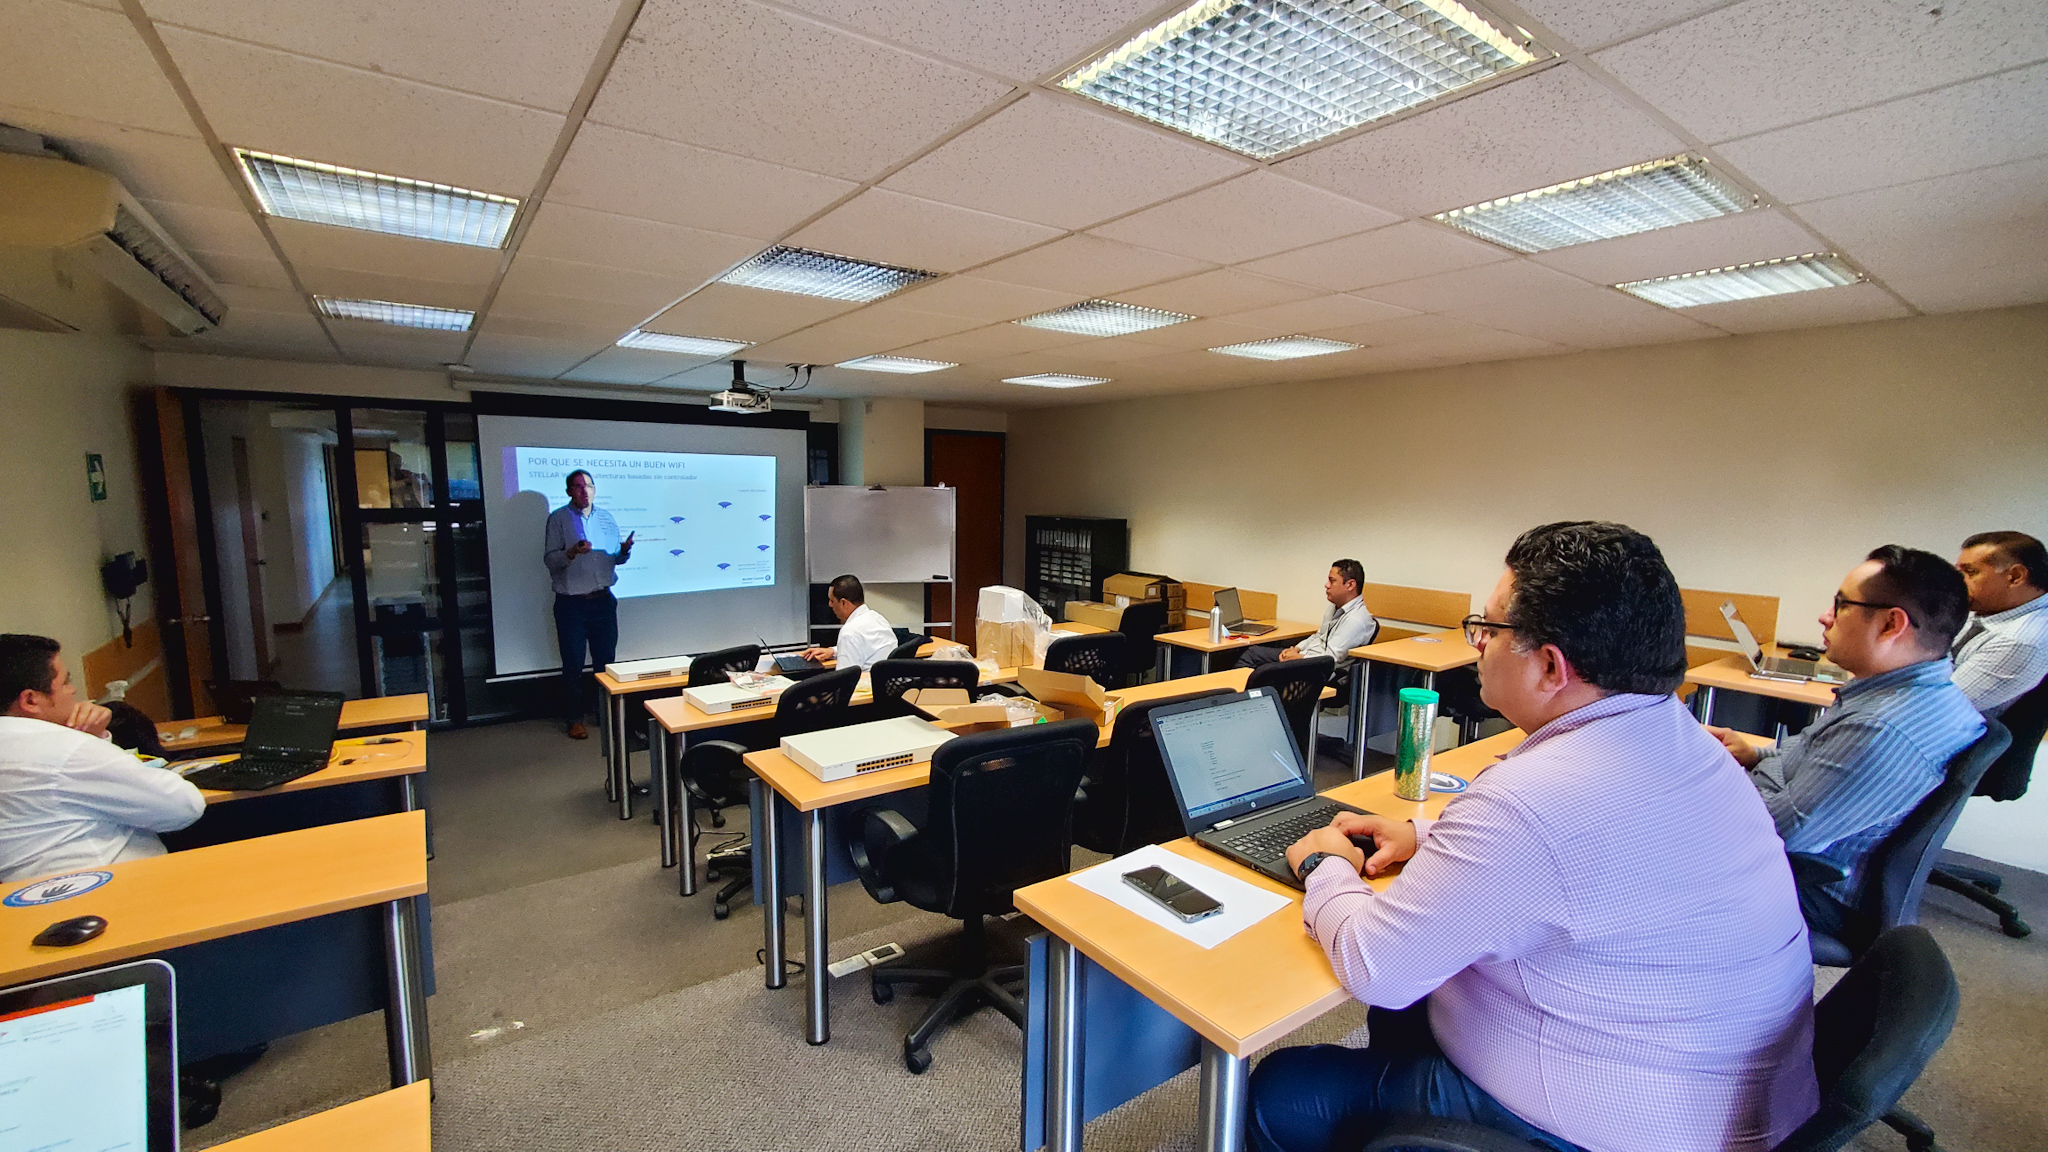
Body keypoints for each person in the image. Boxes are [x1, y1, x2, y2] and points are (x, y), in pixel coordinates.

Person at [1262, 522, 1816, 1152]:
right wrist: (1422, 835)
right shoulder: (1695, 745)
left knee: (1282, 1091)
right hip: (1731, 1098)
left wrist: (1326, 867)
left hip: (1613, 1128)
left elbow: (1376, 968)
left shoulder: (1527, 802)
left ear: (1551, 665)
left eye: (1488, 628)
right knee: (1410, 1012)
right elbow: (1586, 845)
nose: (1477, 643)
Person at [1709, 546, 1984, 949]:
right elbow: (1805, 753)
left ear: (1891, 624)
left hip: (1811, 886)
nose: (1825, 616)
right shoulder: (1915, 691)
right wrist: (1755, 755)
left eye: (1841, 605)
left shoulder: (1879, 727)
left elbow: (1775, 831)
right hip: (1823, 861)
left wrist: (1709, 784)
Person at [0, 634, 205, 882]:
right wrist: (91, 741)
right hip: (113, 887)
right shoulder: (67, 750)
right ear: (31, 700)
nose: (73, 690)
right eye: (65, 682)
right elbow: (184, 807)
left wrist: (94, 738)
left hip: (23, 894)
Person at [543, 469, 634, 740]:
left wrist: (624, 552)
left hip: (603, 601)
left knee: (606, 664)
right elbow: (550, 560)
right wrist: (571, 552)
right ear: (569, 491)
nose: (585, 491)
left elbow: (613, 559)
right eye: (578, 486)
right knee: (573, 664)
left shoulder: (606, 518)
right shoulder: (558, 519)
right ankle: (574, 719)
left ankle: (605, 715)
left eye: (589, 486)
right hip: (572, 604)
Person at [1951, 530, 2048, 717]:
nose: (1958, 581)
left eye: (1970, 572)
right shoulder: (1989, 608)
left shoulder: (2022, 640)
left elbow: (1936, 707)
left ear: (2015, 577)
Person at [1237, 559, 1379, 671]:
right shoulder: (1335, 606)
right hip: (1305, 657)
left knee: (1255, 661)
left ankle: (1240, 698)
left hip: (1316, 670)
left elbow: (1330, 659)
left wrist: (1298, 658)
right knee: (1251, 653)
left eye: (1332, 581)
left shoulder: (1356, 620)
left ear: (1350, 585)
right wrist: (1296, 649)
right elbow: (1319, 636)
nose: (1326, 585)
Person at [800, 575, 896, 671]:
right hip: (886, 678)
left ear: (843, 603)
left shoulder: (850, 632)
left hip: (865, 680)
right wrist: (832, 651)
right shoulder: (878, 619)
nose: (830, 605)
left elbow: (844, 676)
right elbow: (864, 647)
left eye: (832, 601)